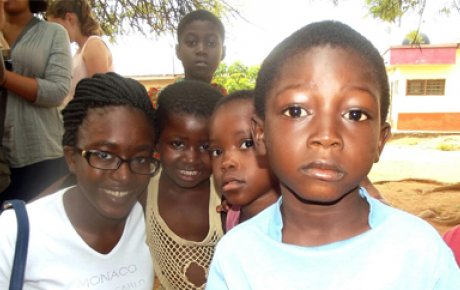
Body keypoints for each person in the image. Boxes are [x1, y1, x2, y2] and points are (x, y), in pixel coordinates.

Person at [206, 21, 460, 289]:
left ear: (380, 141)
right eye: (296, 112)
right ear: (260, 134)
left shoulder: (420, 252)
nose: (326, 135)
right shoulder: (237, 257)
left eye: (354, 115)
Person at [0, 72, 157, 289]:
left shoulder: (147, 222)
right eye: (104, 155)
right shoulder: (16, 232)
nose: (123, 176)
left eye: (140, 158)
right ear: (71, 158)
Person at [144, 80, 224, 290]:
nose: (191, 158)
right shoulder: (143, 192)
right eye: (177, 144)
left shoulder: (226, 194)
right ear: (157, 142)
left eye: (205, 146)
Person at [0, 0, 72, 203]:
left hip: (41, 154)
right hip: (2, 160)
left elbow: (57, 91)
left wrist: (6, 78)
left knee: (35, 226)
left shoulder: (53, 33)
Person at [209, 90, 279, 232]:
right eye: (217, 151)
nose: (227, 162)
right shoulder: (233, 216)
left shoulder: (293, 226)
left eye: (247, 144)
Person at [148, 9, 226, 107]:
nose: (201, 50)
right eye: (191, 42)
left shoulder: (229, 105)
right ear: (178, 50)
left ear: (223, 52)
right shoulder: (156, 102)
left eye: (211, 43)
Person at [46, 0, 113, 107]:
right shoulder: (78, 52)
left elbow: (101, 94)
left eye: (56, 28)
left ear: (69, 18)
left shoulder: (93, 45)